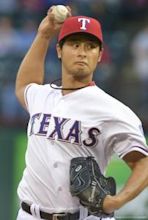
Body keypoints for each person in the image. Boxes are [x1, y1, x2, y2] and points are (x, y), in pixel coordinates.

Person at [15, 5, 148, 220]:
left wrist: (117, 201)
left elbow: (143, 163)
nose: (82, 52)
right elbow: (24, 85)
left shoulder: (113, 110)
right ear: (59, 50)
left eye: (90, 46)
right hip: (29, 214)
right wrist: (44, 33)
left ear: (99, 54)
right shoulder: (43, 96)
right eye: (74, 44)